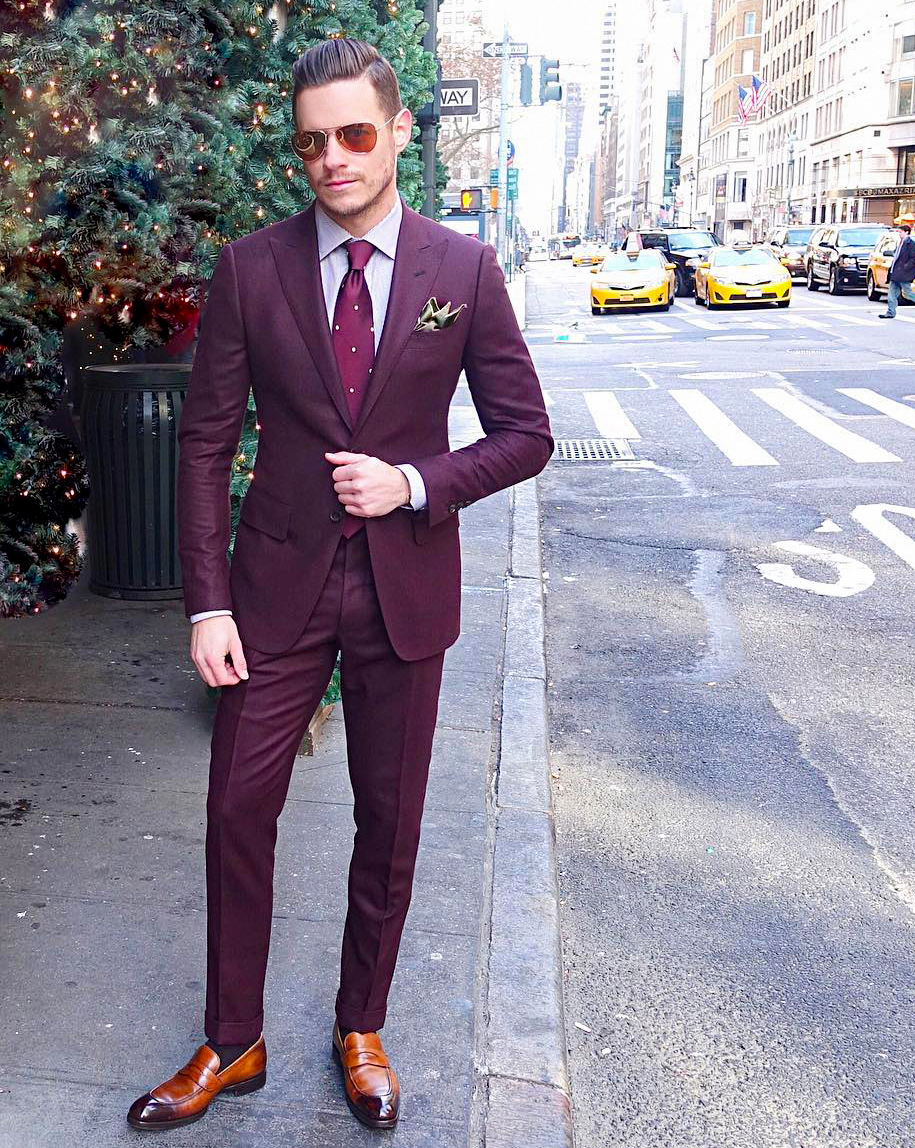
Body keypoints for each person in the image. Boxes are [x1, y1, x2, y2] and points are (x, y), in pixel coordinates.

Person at [126, 38, 553, 1133]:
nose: (332, 159)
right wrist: (207, 601)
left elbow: (526, 435)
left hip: (405, 592)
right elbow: (207, 445)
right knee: (235, 803)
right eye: (312, 140)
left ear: (400, 131)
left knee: (390, 820)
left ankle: (360, 1025)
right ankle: (235, 1037)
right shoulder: (250, 269)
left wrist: (414, 479)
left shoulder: (460, 274)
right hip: (272, 591)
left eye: (355, 134)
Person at [879, 222, 915, 318]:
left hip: (903, 274)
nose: (899, 234)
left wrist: (905, 267)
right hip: (895, 273)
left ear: (907, 232)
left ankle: (890, 312)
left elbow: (913, 258)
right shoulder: (900, 243)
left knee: (908, 294)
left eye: (901, 232)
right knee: (891, 295)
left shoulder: (910, 244)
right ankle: (890, 312)